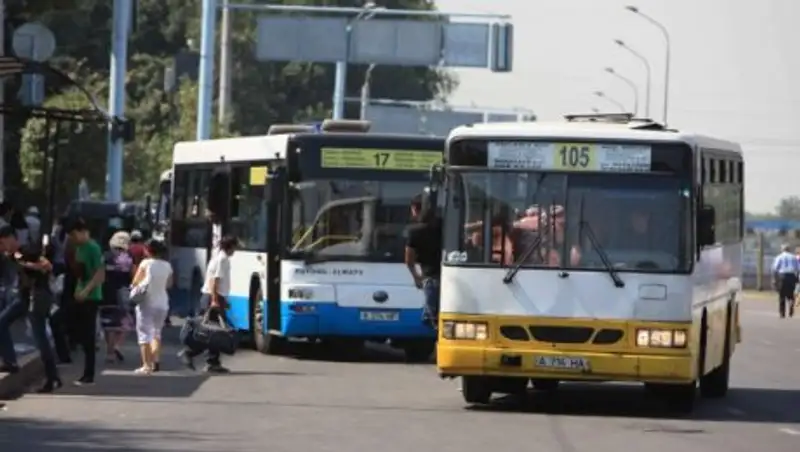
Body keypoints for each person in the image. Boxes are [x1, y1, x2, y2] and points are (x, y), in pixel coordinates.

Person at [180, 235, 237, 373]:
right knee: (209, 331)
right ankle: (189, 353)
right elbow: (214, 281)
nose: (235, 250)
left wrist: (223, 300)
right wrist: (215, 300)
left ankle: (213, 362)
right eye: (235, 247)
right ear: (230, 247)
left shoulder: (219, 257)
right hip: (212, 297)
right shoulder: (222, 259)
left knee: (215, 331)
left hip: (215, 296)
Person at [13, 233, 62, 392]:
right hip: (42, 297)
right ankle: (53, 376)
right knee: (42, 339)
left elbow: (33, 264)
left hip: (38, 299)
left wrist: (21, 261)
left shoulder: (35, 264)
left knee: (41, 339)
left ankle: (52, 377)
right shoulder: (41, 264)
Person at [66, 218, 105, 385]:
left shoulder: (93, 248)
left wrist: (86, 291)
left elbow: (99, 274)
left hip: (90, 297)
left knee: (88, 337)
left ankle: (89, 374)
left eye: (74, 235)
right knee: (73, 329)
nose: (73, 239)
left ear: (82, 231)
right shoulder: (78, 247)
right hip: (79, 295)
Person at [131, 239, 173, 374]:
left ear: (148, 250)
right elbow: (169, 284)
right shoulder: (167, 266)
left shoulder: (145, 263)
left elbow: (135, 282)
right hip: (162, 303)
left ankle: (146, 365)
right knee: (156, 333)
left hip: (146, 303)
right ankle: (156, 360)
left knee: (144, 334)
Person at [404, 195, 442, 329]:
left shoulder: (414, 231)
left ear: (415, 209)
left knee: (432, 319)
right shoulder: (443, 225)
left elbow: (409, 260)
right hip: (450, 277)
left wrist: (416, 277)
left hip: (431, 279)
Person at [101, 231, 133, 364]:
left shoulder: (105, 257)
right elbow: (132, 278)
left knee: (108, 325)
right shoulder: (129, 259)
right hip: (123, 293)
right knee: (125, 323)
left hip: (106, 293)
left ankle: (110, 353)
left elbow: (99, 274)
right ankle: (117, 345)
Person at [0, 226, 25, 374]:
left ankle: (10, 361)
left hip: (26, 297)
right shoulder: (7, 257)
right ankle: (9, 361)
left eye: (3, 243)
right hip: (15, 296)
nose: (3, 247)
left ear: (12, 238)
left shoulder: (22, 253)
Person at [772, 243, 798, 318]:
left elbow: (775, 268)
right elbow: (797, 268)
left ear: (782, 249)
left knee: (782, 295)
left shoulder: (779, 257)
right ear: (789, 249)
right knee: (791, 294)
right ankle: (791, 307)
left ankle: (782, 313)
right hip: (791, 276)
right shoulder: (793, 257)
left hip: (782, 276)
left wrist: (774, 279)